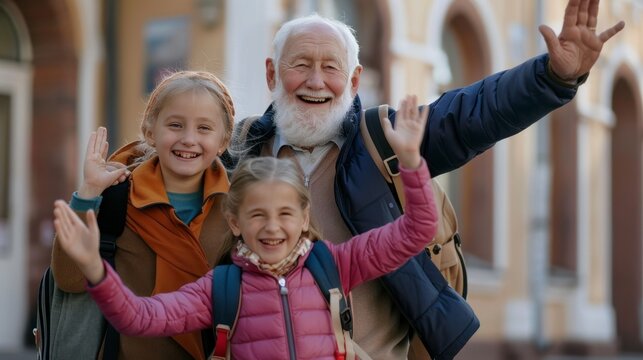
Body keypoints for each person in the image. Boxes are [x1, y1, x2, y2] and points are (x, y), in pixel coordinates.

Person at [228, 1, 625, 358]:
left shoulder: (384, 139)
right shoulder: (236, 153)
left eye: (331, 67)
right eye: (300, 64)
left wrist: (551, 77)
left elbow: (471, 113)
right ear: (271, 73)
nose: (316, 81)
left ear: (353, 82)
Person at [52, 96, 436, 359]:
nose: (272, 227)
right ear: (235, 222)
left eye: (285, 214)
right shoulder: (220, 286)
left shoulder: (335, 264)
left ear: (304, 218)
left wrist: (411, 164)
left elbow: (416, 232)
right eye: (257, 215)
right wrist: (95, 270)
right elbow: (138, 317)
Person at [50, 70, 236, 359]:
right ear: (150, 130)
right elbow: (68, 278)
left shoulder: (239, 205)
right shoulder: (116, 197)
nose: (188, 139)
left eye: (204, 129)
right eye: (175, 125)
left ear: (224, 140)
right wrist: (89, 191)